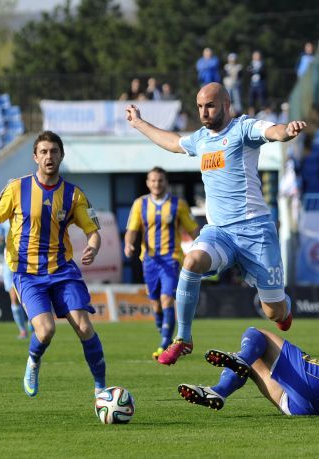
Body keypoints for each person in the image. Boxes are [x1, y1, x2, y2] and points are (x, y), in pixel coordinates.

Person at [125, 82, 307, 365]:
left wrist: (287, 131)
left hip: (255, 231)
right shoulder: (200, 139)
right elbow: (172, 142)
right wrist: (138, 123)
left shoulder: (243, 128)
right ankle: (183, 338)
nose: (203, 112)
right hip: (219, 232)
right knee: (192, 261)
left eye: (209, 105)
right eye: (199, 106)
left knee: (274, 313)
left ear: (226, 105)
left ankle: (285, 308)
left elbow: (272, 131)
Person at [0, 131, 107, 397]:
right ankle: (34, 360)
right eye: (44, 152)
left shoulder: (74, 195)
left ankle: (101, 390)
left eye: (54, 151)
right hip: (27, 273)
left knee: (84, 327)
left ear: (61, 155)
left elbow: (92, 231)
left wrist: (92, 249)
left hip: (62, 271)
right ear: (35, 156)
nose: (49, 156)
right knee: (46, 330)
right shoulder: (16, 188)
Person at [178, 295, 319, 414]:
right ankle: (216, 392)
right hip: (307, 408)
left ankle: (234, 368)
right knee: (252, 359)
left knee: (256, 334)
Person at [124, 167, 199, 360]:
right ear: (148, 183)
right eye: (153, 181)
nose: (157, 184)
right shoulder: (140, 204)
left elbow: (193, 230)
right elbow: (132, 229)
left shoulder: (178, 204)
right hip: (149, 260)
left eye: (160, 180)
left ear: (166, 182)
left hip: (171, 259)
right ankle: (163, 330)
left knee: (167, 299)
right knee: (155, 303)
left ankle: (165, 343)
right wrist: (128, 244)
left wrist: (201, 247)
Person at [0, 219, 31, 339]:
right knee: (14, 299)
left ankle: (32, 322)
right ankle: (22, 330)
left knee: (28, 296)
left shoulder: (25, 214)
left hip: (26, 261)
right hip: (9, 263)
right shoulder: (3, 220)